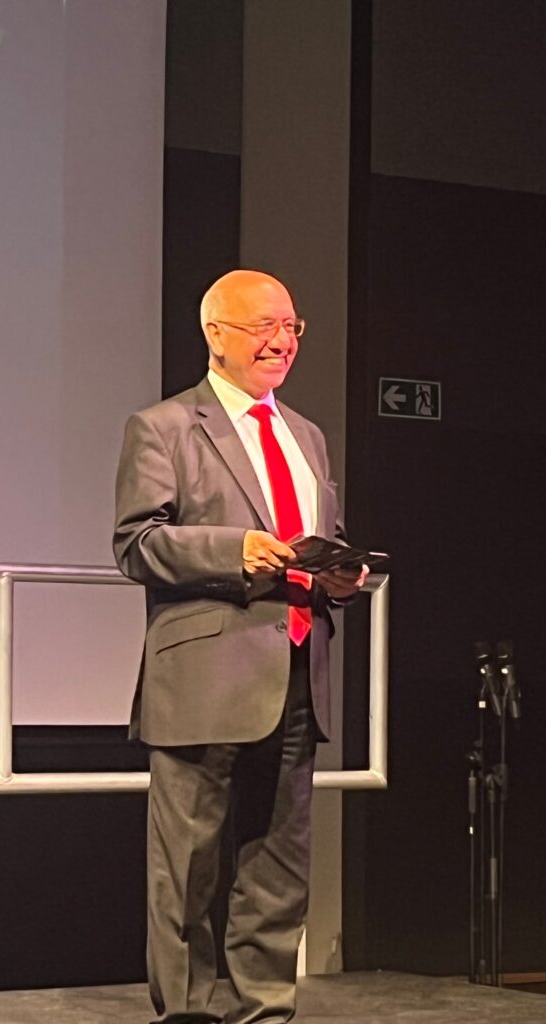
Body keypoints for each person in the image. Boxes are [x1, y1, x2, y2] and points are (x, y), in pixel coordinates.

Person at [113, 269, 366, 1024]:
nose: (281, 342)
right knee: (187, 874)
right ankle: (187, 1014)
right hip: (202, 680)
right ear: (215, 335)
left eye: (291, 328)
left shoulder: (307, 435)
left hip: (295, 674)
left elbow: (322, 537)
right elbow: (137, 544)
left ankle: (265, 1010)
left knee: (278, 869)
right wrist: (234, 553)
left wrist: (341, 571)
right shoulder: (163, 427)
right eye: (263, 327)